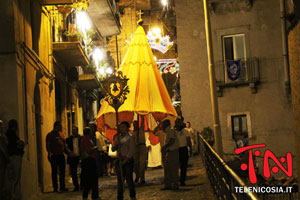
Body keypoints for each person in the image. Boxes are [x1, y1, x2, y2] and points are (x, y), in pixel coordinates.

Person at [112, 121, 136, 200]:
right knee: (120, 181)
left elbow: (131, 151)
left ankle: (132, 196)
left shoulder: (130, 138)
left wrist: (125, 160)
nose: (121, 129)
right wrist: (117, 145)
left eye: (123, 127)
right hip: (119, 160)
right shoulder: (117, 137)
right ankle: (120, 196)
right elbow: (113, 149)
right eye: (120, 127)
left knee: (129, 180)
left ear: (127, 128)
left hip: (128, 161)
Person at [46, 121, 69, 192]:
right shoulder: (50, 135)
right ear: (56, 126)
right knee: (54, 172)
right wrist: (49, 153)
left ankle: (62, 187)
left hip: (61, 155)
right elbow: (48, 145)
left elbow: (64, 144)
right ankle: (55, 187)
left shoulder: (61, 134)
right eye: (60, 126)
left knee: (62, 172)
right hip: (54, 155)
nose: (61, 127)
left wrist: (68, 151)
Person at [6, 119, 25, 200]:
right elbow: (16, 144)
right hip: (15, 156)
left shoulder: (9, 134)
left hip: (13, 156)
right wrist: (20, 143)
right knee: (14, 177)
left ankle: (13, 195)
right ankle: (13, 195)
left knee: (13, 177)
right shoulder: (11, 134)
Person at [80, 127, 100, 200]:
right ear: (89, 132)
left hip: (88, 160)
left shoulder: (85, 139)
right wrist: (95, 148)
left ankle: (92, 195)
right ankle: (92, 196)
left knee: (90, 179)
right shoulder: (86, 139)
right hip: (89, 161)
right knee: (91, 179)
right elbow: (88, 150)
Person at [161, 119, 179, 190]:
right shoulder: (167, 132)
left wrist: (165, 146)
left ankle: (175, 184)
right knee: (167, 168)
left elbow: (172, 140)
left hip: (173, 151)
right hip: (169, 152)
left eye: (162, 125)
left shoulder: (171, 131)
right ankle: (168, 184)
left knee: (173, 168)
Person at [175, 118, 192, 186]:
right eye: (176, 122)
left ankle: (182, 180)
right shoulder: (174, 131)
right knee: (176, 166)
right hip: (176, 149)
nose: (177, 124)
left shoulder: (185, 131)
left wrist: (190, 149)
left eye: (178, 122)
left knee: (184, 166)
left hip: (184, 149)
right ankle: (177, 180)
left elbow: (188, 140)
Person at [66, 125, 82, 191]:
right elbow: (65, 147)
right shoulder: (69, 139)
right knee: (73, 173)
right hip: (73, 157)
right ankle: (76, 186)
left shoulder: (81, 138)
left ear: (77, 131)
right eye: (72, 130)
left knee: (82, 172)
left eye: (74, 130)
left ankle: (82, 185)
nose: (73, 131)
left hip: (80, 156)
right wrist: (69, 153)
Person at [132, 120, 147, 184]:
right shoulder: (133, 133)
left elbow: (142, 123)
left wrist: (141, 116)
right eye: (134, 124)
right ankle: (137, 175)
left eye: (136, 124)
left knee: (142, 163)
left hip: (142, 146)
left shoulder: (141, 129)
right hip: (135, 148)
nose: (135, 126)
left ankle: (142, 178)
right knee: (135, 164)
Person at [0, 120, 9, 200]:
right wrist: (7, 157)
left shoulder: (3, 136)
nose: (2, 127)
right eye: (1, 126)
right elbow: (3, 148)